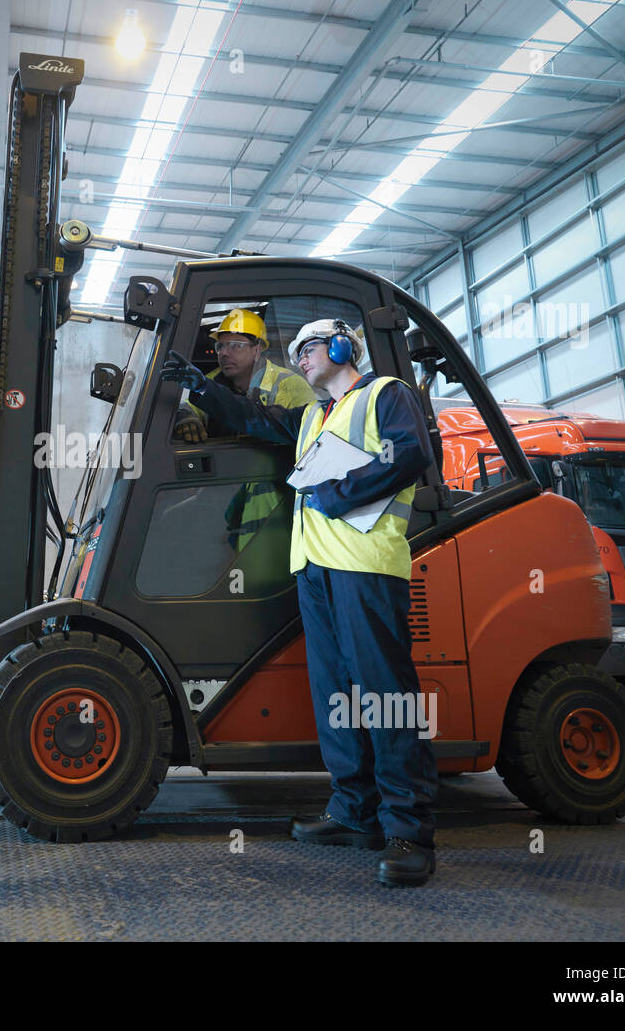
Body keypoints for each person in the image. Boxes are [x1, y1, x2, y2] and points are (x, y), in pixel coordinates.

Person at [161, 319, 440, 886]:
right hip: (314, 569)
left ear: (341, 346)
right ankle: (352, 812)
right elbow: (255, 419)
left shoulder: (386, 396)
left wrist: (338, 494)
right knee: (334, 692)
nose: (300, 358)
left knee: (385, 694)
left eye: (308, 348)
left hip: (364, 566)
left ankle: (409, 830)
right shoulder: (312, 416)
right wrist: (198, 384)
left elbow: (410, 455)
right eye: (296, 352)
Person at [172, 308, 312, 444]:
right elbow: (189, 407)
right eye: (220, 346)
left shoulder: (289, 384)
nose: (224, 353)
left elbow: (310, 434)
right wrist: (186, 418)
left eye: (235, 345)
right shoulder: (210, 380)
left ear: (258, 350)